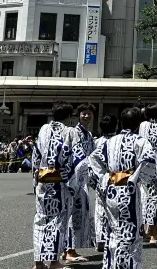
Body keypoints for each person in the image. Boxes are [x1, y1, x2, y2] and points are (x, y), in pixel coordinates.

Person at [88, 107, 157, 269]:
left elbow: (93, 159)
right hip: (129, 192)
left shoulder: (110, 142)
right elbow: (150, 162)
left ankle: (111, 264)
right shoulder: (140, 141)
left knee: (113, 229)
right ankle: (127, 265)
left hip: (111, 190)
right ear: (138, 124)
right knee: (130, 231)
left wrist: (104, 179)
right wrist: (136, 177)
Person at [32, 101, 80, 269]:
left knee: (40, 220)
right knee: (58, 221)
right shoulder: (70, 132)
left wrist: (35, 178)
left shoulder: (43, 129)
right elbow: (75, 160)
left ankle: (38, 263)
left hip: (42, 181)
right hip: (60, 183)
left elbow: (36, 155)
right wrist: (74, 184)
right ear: (69, 116)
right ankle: (54, 262)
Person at [65, 103, 96, 263]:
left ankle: (69, 249)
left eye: (90, 113)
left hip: (83, 180)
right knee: (73, 214)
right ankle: (70, 250)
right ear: (78, 115)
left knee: (78, 214)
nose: (87, 116)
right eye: (84, 113)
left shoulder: (89, 135)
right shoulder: (73, 132)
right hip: (73, 179)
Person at [137, 102, 157, 244]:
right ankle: (154, 233)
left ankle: (146, 230)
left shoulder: (142, 125)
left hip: (144, 165)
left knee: (146, 197)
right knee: (155, 199)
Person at [93, 114, 118, 254]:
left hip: (100, 179)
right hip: (116, 179)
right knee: (114, 210)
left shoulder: (96, 142)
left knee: (100, 209)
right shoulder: (118, 141)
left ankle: (100, 239)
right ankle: (112, 237)